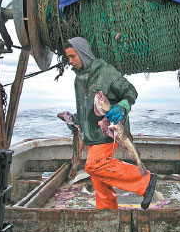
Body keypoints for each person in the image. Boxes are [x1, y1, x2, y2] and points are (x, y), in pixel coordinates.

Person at [64, 37, 157, 210]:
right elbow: (84, 108)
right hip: (90, 134)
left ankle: (145, 180)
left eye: (72, 56)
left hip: (108, 131)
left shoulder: (105, 71)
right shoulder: (78, 80)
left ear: (83, 54)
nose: (69, 61)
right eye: (68, 57)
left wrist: (122, 106)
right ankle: (107, 216)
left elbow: (131, 91)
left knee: (94, 165)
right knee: (101, 185)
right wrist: (75, 120)